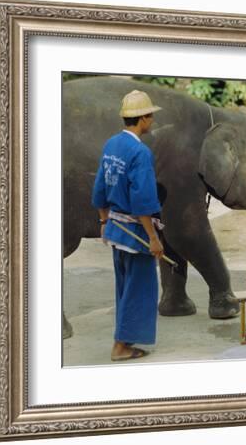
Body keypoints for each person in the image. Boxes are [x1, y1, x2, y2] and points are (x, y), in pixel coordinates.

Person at [92, 90, 164, 361]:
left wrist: (103, 220)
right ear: (143, 119)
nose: (152, 121)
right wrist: (153, 239)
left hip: (115, 229)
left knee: (124, 288)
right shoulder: (140, 152)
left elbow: (100, 186)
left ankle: (121, 341)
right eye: (151, 116)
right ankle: (121, 346)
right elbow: (143, 199)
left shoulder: (111, 144)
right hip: (135, 235)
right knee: (139, 290)